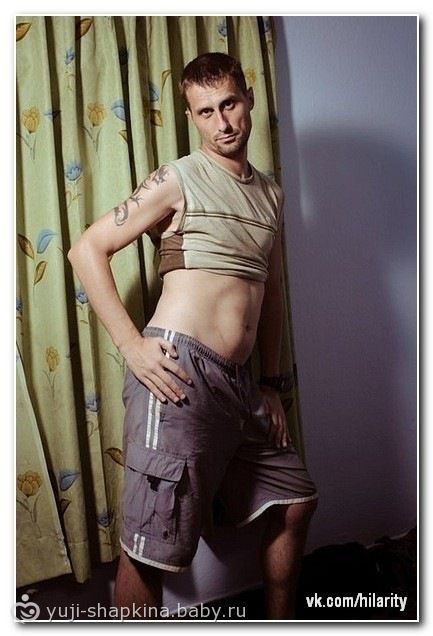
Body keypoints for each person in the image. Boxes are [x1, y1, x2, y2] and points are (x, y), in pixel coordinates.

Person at [67, 52, 318, 620]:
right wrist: (132, 346)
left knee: (295, 500)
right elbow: (87, 250)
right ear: (190, 116)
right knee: (149, 548)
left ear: (248, 98)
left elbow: (270, 291)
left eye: (229, 104)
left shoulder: (271, 194)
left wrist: (271, 382)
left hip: (238, 384)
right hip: (179, 375)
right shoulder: (178, 177)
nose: (222, 122)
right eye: (206, 112)